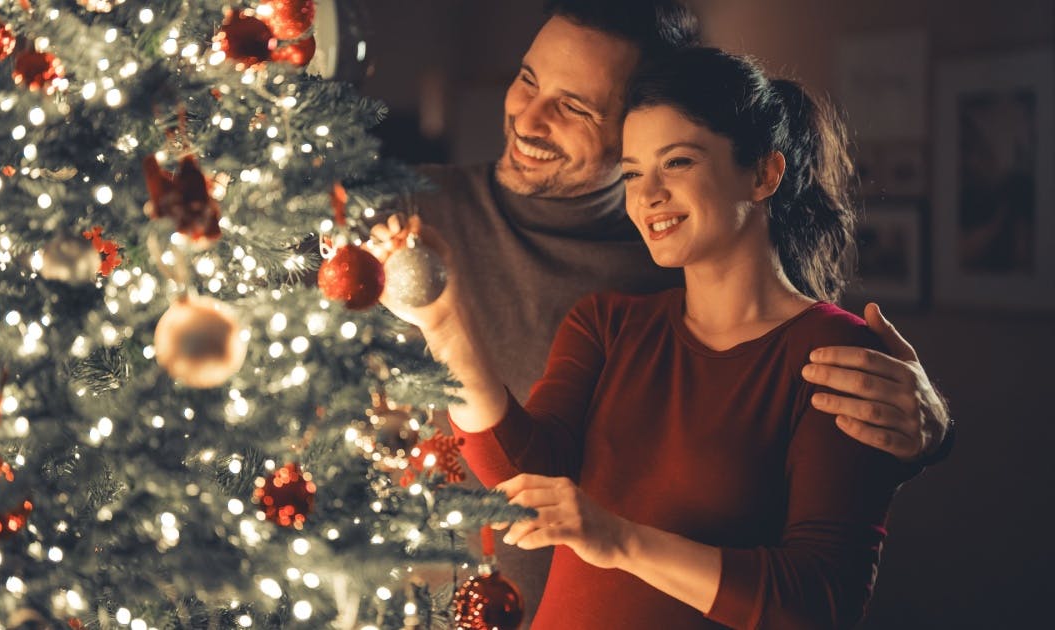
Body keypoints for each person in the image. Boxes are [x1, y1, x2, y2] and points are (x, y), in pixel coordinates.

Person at [396, 0, 952, 620]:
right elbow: (521, 473)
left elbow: (819, 601)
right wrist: (442, 319)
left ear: (765, 175)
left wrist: (618, 538)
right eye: (634, 173)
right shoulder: (608, 322)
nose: (649, 195)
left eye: (678, 162)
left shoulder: (833, 357)